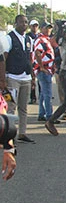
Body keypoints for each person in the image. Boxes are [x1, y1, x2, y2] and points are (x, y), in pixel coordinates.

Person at [3, 14, 35, 143]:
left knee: (23, 107)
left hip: (25, 77)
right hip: (12, 77)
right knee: (11, 107)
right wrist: (3, 77)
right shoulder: (9, 38)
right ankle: (8, 135)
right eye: (22, 22)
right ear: (16, 23)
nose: (24, 25)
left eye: (26, 22)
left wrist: (32, 76)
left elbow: (30, 59)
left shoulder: (29, 39)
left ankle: (22, 133)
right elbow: (4, 58)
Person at [32, 22, 55, 122]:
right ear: (41, 28)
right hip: (44, 70)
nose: (48, 30)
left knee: (43, 93)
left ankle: (42, 113)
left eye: (50, 29)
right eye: (46, 28)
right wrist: (41, 67)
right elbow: (37, 53)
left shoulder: (46, 39)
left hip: (47, 69)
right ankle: (49, 116)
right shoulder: (41, 40)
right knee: (47, 94)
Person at [26, 19, 40, 105]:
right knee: (32, 80)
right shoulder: (27, 36)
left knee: (40, 81)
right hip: (31, 59)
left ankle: (41, 94)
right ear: (30, 26)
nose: (35, 27)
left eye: (36, 26)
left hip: (39, 60)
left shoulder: (39, 36)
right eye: (33, 26)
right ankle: (33, 97)